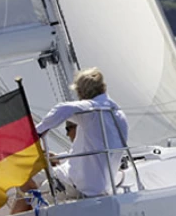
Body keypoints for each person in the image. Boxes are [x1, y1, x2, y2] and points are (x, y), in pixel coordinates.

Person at [36, 67, 128, 198]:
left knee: (31, 196)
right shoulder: (119, 115)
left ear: (81, 93)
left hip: (78, 187)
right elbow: (95, 153)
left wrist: (38, 131)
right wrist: (59, 158)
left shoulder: (91, 111)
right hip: (103, 186)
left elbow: (63, 108)